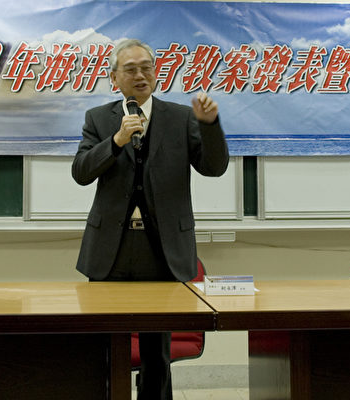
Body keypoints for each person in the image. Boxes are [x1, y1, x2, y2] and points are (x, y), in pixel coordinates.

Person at [72, 39, 229, 399]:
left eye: (147, 67)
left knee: (156, 353)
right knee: (106, 346)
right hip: (112, 248)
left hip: (163, 249)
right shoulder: (98, 118)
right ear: (114, 78)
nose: (140, 75)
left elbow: (214, 167)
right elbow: (81, 172)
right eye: (130, 69)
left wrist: (209, 126)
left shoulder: (180, 117)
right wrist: (116, 141)